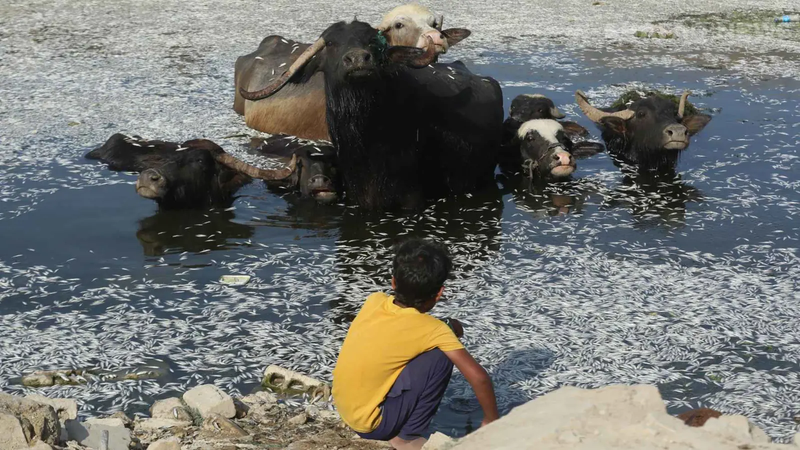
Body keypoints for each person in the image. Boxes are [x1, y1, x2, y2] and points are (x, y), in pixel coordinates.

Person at [332, 238, 499, 450]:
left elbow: (402, 329)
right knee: (441, 355)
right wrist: (492, 420)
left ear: (393, 282)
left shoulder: (374, 300)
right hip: (374, 426)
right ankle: (407, 438)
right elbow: (479, 377)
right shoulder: (434, 330)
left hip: (347, 410)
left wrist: (447, 324)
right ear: (439, 293)